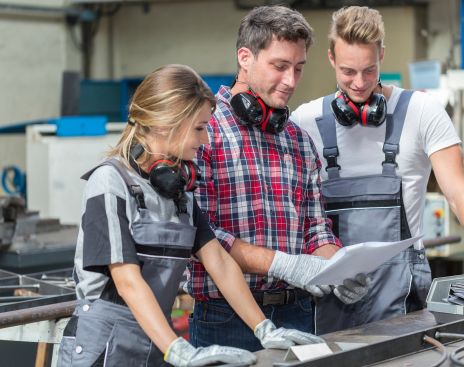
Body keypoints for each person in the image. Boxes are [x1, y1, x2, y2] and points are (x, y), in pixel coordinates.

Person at [56, 64, 325, 367]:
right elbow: (127, 281)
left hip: (153, 345)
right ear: (163, 124)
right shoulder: (109, 182)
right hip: (101, 350)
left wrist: (264, 329)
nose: (206, 140)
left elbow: (220, 263)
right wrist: (178, 349)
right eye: (199, 128)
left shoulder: (178, 193)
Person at [290, 6, 464, 334]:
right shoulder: (306, 121)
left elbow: (458, 191)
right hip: (332, 295)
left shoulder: (422, 112)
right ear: (330, 59)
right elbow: (297, 212)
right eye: (348, 71)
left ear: (382, 54)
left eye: (369, 70)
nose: (359, 82)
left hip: (404, 292)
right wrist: (317, 266)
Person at [186, 5, 371, 350]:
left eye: (299, 68)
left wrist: (339, 267)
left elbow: (315, 229)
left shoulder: (298, 140)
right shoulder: (203, 132)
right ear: (245, 57)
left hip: (298, 311)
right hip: (225, 318)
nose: (291, 81)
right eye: (280, 66)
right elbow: (201, 235)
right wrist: (285, 265)